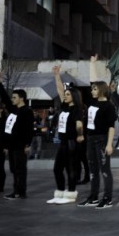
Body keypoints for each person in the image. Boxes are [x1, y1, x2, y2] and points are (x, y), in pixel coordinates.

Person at [77, 56, 116, 209]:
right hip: (91, 138)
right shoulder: (92, 102)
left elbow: (111, 126)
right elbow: (93, 80)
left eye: (95, 89)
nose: (92, 90)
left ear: (101, 90)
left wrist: (109, 145)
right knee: (92, 169)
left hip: (102, 139)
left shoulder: (108, 106)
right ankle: (93, 197)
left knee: (104, 170)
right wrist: (92, 63)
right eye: (92, 89)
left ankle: (107, 198)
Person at [47, 66, 84, 205]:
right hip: (63, 141)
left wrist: (80, 135)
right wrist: (57, 75)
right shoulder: (64, 107)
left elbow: (79, 124)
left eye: (68, 95)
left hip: (72, 142)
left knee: (71, 169)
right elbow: (60, 90)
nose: (65, 96)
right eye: (66, 94)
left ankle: (70, 195)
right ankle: (60, 192)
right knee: (57, 169)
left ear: (74, 96)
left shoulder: (77, 109)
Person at [0, 72, 34, 200]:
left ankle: (20, 192)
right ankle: (16, 190)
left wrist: (28, 144)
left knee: (20, 169)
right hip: (12, 145)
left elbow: (29, 129)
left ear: (21, 98)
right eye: (12, 97)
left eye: (14, 97)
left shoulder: (27, 111)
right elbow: (5, 98)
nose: (12, 99)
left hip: (20, 145)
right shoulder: (14, 110)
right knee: (14, 169)